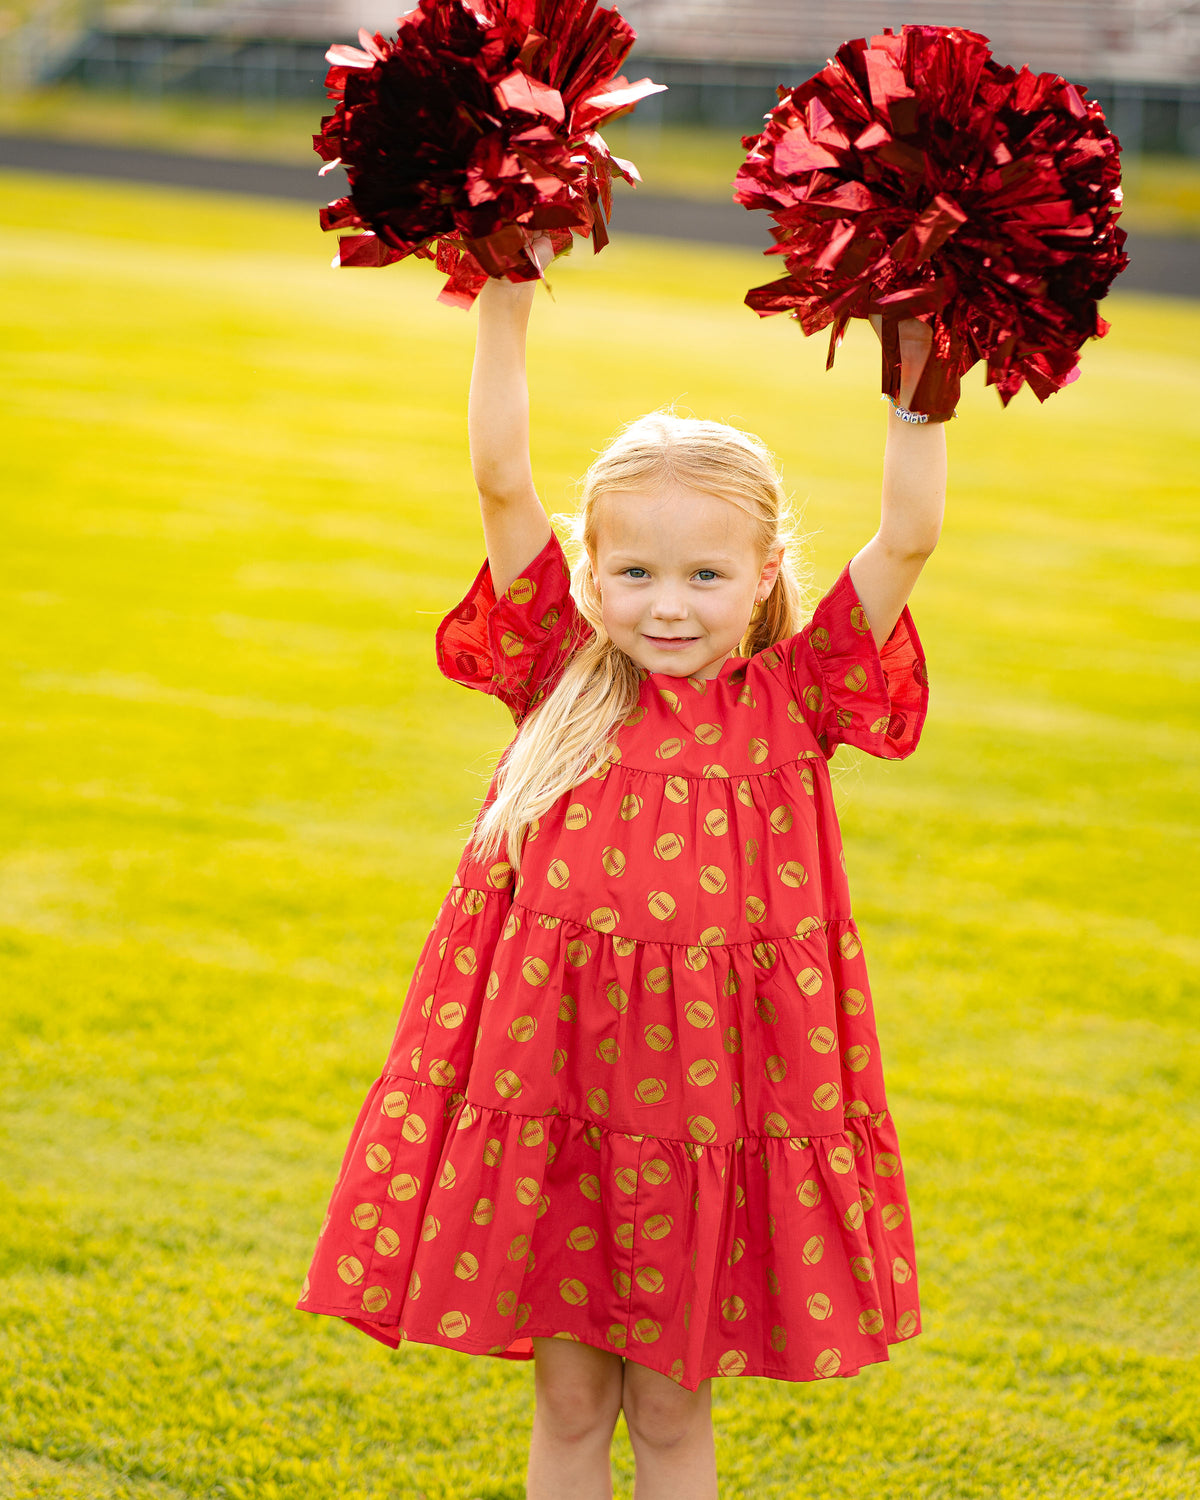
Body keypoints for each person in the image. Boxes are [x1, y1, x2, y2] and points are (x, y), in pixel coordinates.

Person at [298, 238, 947, 1500]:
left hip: (706, 1113)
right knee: (569, 1394)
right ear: (589, 577)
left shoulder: (795, 696)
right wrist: (504, 292)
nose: (667, 604)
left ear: (765, 577)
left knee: (671, 1406)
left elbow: (910, 538)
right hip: (558, 1088)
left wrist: (919, 368)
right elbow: (498, 481)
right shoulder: (559, 676)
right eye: (634, 572)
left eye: (706, 576)